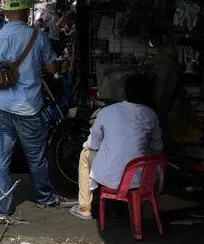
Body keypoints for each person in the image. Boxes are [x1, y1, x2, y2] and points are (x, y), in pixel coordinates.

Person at [0, 0, 61, 216]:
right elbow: (52, 69)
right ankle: (45, 198)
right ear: (27, 13)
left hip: (0, 105)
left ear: (8, 14)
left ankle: (3, 206)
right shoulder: (37, 37)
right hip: (27, 107)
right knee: (36, 156)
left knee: (1, 158)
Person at [70, 73, 163, 220]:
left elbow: (93, 143)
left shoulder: (107, 111)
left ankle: (84, 207)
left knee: (85, 155)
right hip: (142, 178)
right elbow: (157, 147)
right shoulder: (150, 114)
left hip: (112, 176)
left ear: (124, 92)